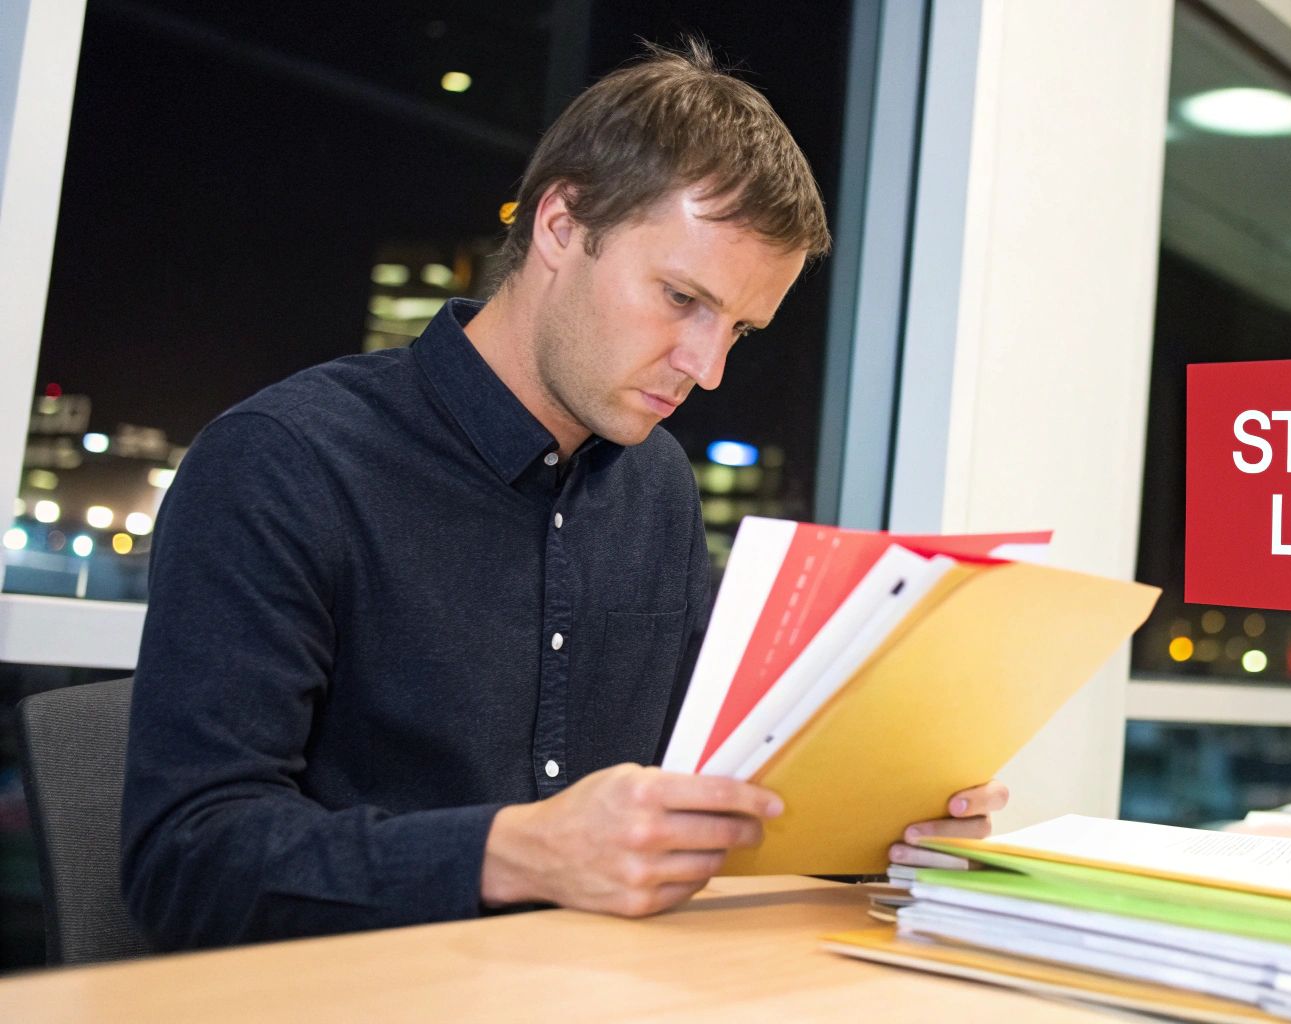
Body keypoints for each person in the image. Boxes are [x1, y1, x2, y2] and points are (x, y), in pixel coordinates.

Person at [120, 40, 1007, 951]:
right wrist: (518, 853)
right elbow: (187, 859)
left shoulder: (657, 485)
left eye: (739, 329)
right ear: (559, 225)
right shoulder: (283, 463)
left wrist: (876, 829)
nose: (707, 367)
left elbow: (705, 787)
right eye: (681, 298)